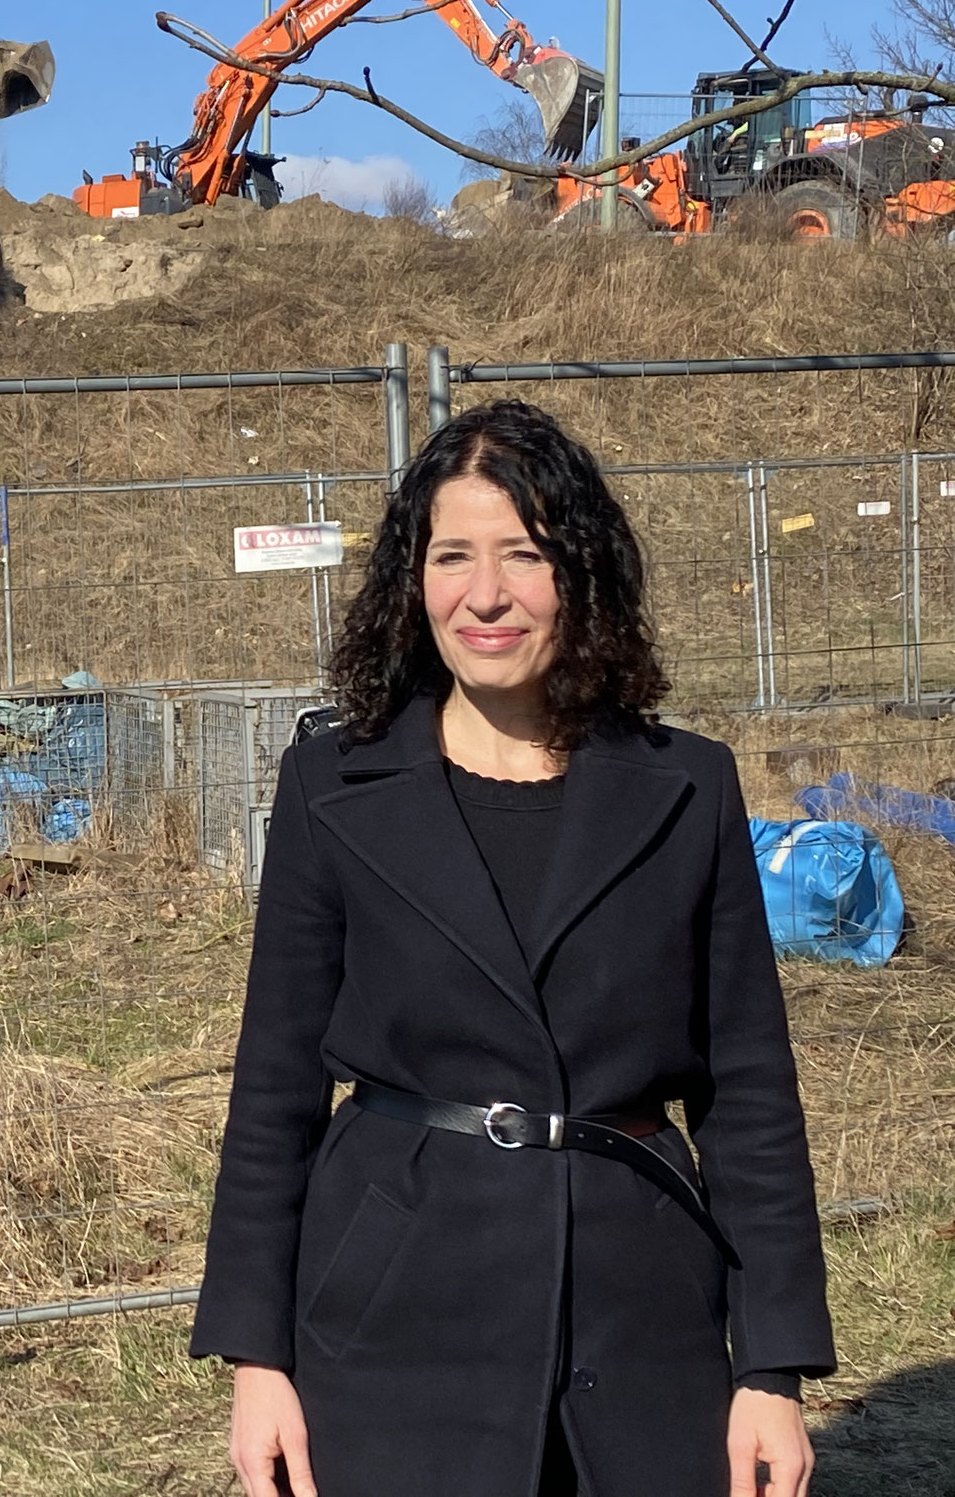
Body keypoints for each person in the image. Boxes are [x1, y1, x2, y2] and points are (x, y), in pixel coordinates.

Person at [191, 400, 834, 1497]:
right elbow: (273, 1092)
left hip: (639, 1320)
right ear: (412, 580)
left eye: (522, 556)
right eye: (451, 556)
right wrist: (257, 1360)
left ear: (577, 576)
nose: (483, 595)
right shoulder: (330, 789)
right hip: (392, 1319)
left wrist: (770, 1365)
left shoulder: (687, 788)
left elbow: (749, 1097)